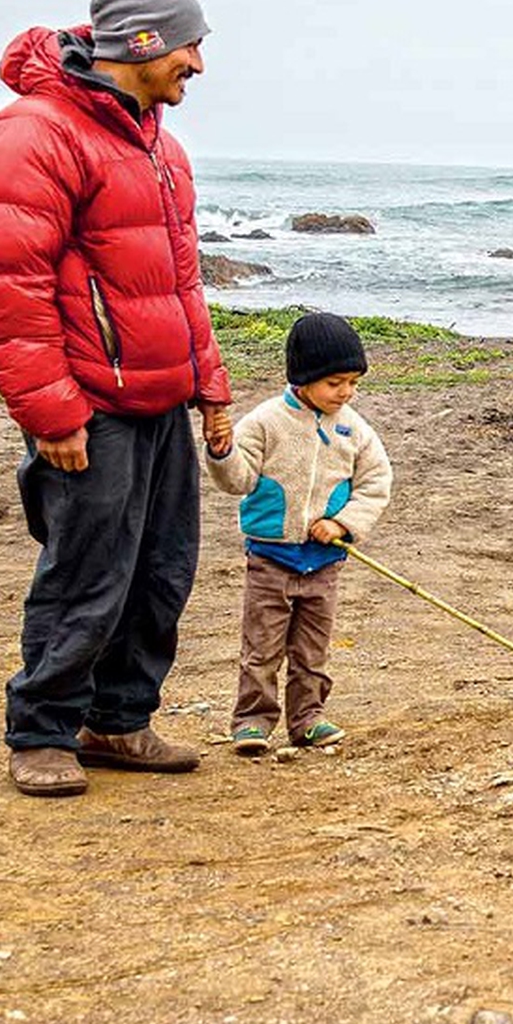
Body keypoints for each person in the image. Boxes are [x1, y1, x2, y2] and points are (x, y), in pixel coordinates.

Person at [0, 0, 234, 797]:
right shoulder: (33, 133)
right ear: (143, 41)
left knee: (163, 570)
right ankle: (42, 729)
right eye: (189, 44)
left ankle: (118, 720)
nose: (198, 62)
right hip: (88, 402)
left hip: (160, 398)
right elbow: (11, 290)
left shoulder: (160, 143)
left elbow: (180, 281)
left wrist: (210, 383)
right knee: (87, 571)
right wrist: (51, 410)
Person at [205, 312, 393, 755]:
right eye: (335, 383)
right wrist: (222, 451)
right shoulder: (265, 422)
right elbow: (238, 480)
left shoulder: (353, 428)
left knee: (312, 650)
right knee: (262, 646)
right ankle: (252, 721)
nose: (345, 392)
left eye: (353, 382)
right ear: (303, 378)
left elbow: (376, 482)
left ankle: (307, 719)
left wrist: (343, 523)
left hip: (324, 562)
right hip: (270, 559)